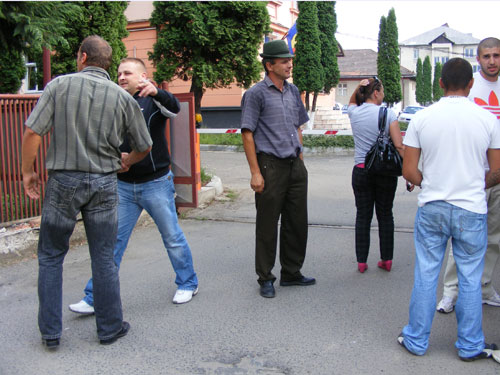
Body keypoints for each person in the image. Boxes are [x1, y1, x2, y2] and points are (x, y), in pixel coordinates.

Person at [21, 36, 153, 349]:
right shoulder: (122, 98)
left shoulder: (58, 86)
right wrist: (127, 161)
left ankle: (51, 333)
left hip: (63, 181)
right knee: (104, 258)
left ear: (82, 57)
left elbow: (32, 131)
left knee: (51, 255)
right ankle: (109, 328)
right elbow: (144, 145)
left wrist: (28, 173)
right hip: (105, 182)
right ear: (108, 64)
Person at [69, 58, 199, 315]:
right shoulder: (112, 100)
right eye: (119, 73)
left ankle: (187, 283)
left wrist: (158, 92)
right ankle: (94, 297)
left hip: (156, 183)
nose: (121, 77)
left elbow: (175, 109)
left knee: (172, 237)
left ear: (143, 76)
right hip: (124, 186)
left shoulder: (153, 100)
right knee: (113, 242)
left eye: (127, 73)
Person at [398, 58, 500, 361]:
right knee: (470, 278)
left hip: (432, 206)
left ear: (440, 83)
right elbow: (496, 171)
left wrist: (431, 182)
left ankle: (416, 339)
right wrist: (470, 184)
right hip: (471, 209)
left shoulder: (422, 118)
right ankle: (469, 346)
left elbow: (408, 171)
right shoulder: (488, 120)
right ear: (471, 84)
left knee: (427, 274)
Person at [240, 40, 315, 298]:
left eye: (289, 60)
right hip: (270, 166)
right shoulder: (256, 94)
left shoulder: (293, 92)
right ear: (269, 64)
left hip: (295, 165)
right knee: (268, 224)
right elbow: (247, 133)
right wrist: (255, 172)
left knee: (296, 223)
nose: (289, 64)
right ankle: (265, 277)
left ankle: (292, 272)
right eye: (284, 61)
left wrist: (301, 160)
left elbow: (298, 127)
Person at [436, 37, 500, 313]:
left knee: (493, 236)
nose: (492, 61)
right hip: (472, 174)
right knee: (460, 236)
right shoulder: (469, 87)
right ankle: (451, 291)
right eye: (487, 56)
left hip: (497, 174)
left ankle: (484, 286)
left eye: (497, 55)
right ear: (478, 59)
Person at [347, 77, 406, 273]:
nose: (383, 95)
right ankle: (386, 260)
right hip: (385, 172)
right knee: (385, 214)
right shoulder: (388, 113)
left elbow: (352, 101)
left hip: (361, 170)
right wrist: (407, 170)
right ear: (376, 93)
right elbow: (398, 145)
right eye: (381, 91)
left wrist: (359, 86)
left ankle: (362, 262)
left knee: (363, 216)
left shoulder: (354, 112)